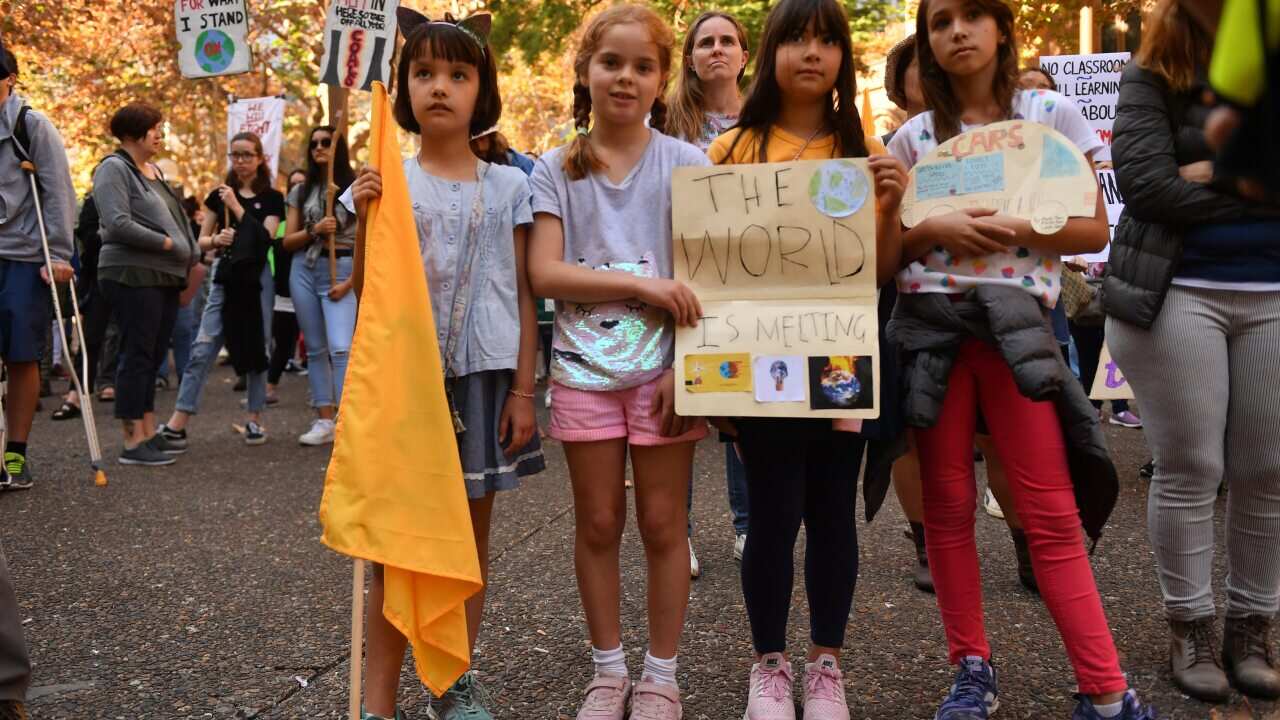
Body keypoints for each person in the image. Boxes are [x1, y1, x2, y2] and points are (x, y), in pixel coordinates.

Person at [885, 1, 1159, 718]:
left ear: (1002, 28)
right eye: (940, 21)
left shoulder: (1051, 113)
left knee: (1050, 512)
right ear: (928, 41)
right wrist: (929, 229)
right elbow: (880, 256)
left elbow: (1094, 225)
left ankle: (1106, 690)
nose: (957, 32)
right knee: (945, 509)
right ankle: (970, 670)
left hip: (1018, 332)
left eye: (973, 15)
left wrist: (1014, 226)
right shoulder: (910, 139)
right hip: (931, 333)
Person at [705, 3, 906, 718]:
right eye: (796, 38)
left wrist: (890, 206)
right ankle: (768, 665)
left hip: (842, 360)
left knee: (831, 513)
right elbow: (712, 271)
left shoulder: (862, 147)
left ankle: (827, 665)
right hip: (760, 369)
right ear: (771, 53)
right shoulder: (731, 151)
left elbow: (881, 272)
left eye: (828, 40)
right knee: (771, 512)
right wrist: (716, 388)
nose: (812, 52)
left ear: (844, 59)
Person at [347, 9, 545, 719]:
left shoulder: (513, 186)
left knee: (467, 541)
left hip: (487, 378)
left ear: (481, 88)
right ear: (402, 85)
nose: (440, 88)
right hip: (407, 383)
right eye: (424, 72)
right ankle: (377, 701)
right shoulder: (387, 180)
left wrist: (526, 389)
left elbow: (525, 293)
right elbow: (371, 293)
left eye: (457, 74)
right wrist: (366, 216)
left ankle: (451, 678)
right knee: (395, 544)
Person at [527, 6, 707, 719]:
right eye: (611, 63)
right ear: (585, 71)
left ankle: (661, 675)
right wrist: (637, 284)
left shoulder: (688, 165)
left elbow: (707, 281)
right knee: (598, 523)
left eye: (642, 66)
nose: (625, 78)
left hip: (666, 374)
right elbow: (545, 272)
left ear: (663, 80)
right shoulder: (555, 168)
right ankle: (609, 671)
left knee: (665, 526)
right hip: (580, 374)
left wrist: (684, 367)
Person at [1106, 0, 1280, 703]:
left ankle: (1253, 628)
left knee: (1268, 468)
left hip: (1272, 291)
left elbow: (1178, 184)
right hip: (1177, 292)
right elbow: (1147, 187)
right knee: (1191, 467)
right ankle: (1191, 627)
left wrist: (1210, 173)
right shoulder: (1150, 70)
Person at [665, 9, 752, 576]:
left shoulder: (771, 120)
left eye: (727, 41)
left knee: (745, 402)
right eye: (705, 42)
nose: (716, 49)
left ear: (745, 55)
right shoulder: (668, 128)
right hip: (685, 285)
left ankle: (750, 527)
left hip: (752, 286)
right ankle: (679, 533)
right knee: (680, 409)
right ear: (691, 58)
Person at [158, 132, 282, 448]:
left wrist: (237, 208)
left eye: (246, 154)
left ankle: (254, 419)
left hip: (256, 279)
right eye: (235, 154)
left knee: (258, 348)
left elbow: (265, 239)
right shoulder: (218, 196)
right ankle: (178, 421)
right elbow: (200, 240)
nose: (240, 160)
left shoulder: (271, 198)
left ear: (259, 158)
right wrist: (216, 240)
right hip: (224, 275)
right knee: (203, 346)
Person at [92, 103, 199, 467]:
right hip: (131, 274)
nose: (160, 134)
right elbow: (117, 222)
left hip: (165, 275)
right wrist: (168, 244)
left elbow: (176, 220)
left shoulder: (152, 171)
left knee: (153, 357)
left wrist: (194, 249)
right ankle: (132, 439)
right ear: (134, 133)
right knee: (136, 353)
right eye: (154, 128)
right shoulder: (113, 168)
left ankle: (150, 432)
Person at [0, 39, 75, 488]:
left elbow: (59, 192)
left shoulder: (33, 127)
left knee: (21, 356)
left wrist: (61, 254)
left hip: (25, 256)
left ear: (9, 79)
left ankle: (15, 454)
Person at [281, 128, 357, 446]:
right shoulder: (301, 191)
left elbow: (372, 240)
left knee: (341, 347)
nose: (319, 148)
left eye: (326, 142)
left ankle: (346, 422)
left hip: (342, 269)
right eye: (313, 144)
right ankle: (324, 419)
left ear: (338, 147)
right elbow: (287, 242)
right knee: (315, 349)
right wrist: (315, 229)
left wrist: (352, 281)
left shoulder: (356, 187)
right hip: (305, 269)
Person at [266, 169, 306, 404]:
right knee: (283, 343)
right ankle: (269, 387)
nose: (298, 189)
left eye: (302, 184)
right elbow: (277, 260)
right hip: (285, 294)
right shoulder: (280, 224)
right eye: (293, 185)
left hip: (314, 290)